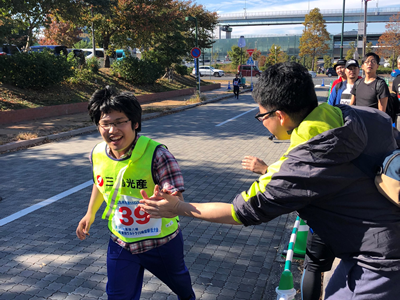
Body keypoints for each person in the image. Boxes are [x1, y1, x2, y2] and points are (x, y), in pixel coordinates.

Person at [140, 62, 400, 300]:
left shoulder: (301, 165)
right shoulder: (368, 117)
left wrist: (176, 208)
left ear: (281, 116)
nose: (262, 122)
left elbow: (239, 211)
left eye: (262, 116)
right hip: (370, 249)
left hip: (378, 264)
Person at [76, 87, 195, 300]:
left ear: (135, 123)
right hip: (121, 242)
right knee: (118, 296)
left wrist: (165, 204)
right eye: (105, 123)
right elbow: (101, 183)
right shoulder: (96, 154)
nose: (112, 130)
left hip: (161, 243)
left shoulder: (159, 155)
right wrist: (90, 213)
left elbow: (177, 201)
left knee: (182, 287)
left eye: (120, 122)